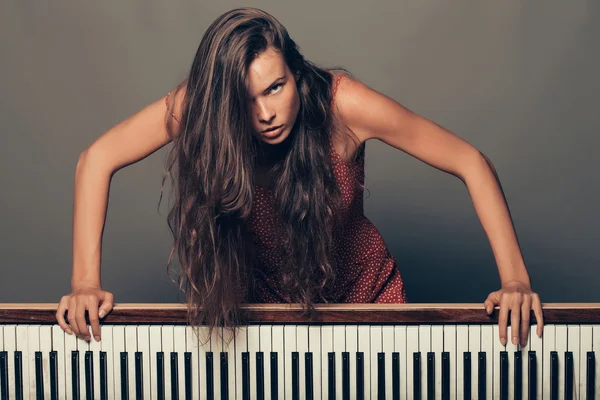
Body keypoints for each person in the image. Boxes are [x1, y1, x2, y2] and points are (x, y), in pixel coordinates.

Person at [56, 7, 544, 347]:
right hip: (261, 314)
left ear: (295, 70)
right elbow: (95, 159)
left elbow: (469, 160)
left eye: (275, 87)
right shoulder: (201, 106)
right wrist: (84, 282)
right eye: (245, 101)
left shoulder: (341, 104)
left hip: (368, 303)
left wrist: (516, 280)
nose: (266, 113)